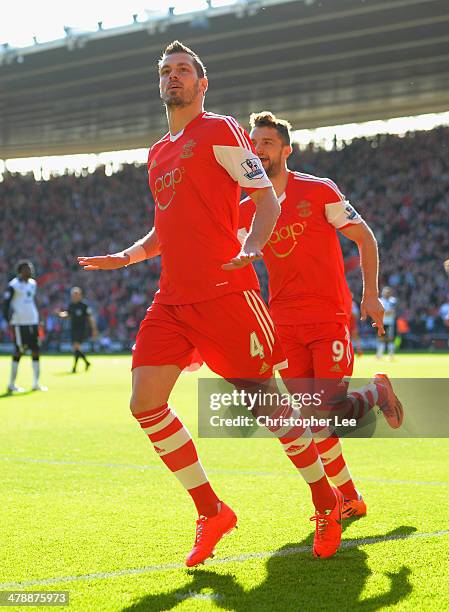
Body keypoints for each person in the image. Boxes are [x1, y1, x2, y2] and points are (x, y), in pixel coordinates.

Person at [78, 41, 345, 565]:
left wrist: (252, 246)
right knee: (144, 402)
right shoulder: (157, 152)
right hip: (173, 299)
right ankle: (211, 510)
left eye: (183, 71)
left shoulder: (221, 130)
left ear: (203, 83)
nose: (173, 78)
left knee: (267, 404)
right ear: (160, 84)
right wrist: (129, 257)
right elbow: (165, 225)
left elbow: (265, 196)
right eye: (166, 71)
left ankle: (326, 499)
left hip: (227, 294)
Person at [238, 111, 404, 519]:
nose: (259, 150)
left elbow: (364, 237)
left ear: (286, 150)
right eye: (253, 144)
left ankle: (377, 393)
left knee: (324, 411)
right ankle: (349, 498)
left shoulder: (318, 191)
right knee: (313, 419)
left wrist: (371, 295)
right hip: (284, 326)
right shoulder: (245, 212)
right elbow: (236, 265)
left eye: (267, 143)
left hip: (328, 317)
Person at [3, 260, 47, 392]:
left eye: (31, 268)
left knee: (36, 350)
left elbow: (32, 302)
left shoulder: (33, 284)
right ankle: (11, 384)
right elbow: (5, 304)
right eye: (28, 269)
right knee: (19, 351)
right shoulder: (13, 285)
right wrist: (8, 319)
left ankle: (36, 383)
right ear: (21, 271)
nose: (30, 271)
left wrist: (39, 318)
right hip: (19, 323)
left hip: (32, 322)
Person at [57, 287, 98, 373]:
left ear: (80, 295)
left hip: (82, 329)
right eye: (74, 294)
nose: (75, 296)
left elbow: (90, 318)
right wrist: (60, 314)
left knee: (76, 347)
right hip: (73, 328)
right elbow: (67, 315)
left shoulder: (84, 305)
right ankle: (86, 363)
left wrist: (94, 329)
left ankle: (74, 368)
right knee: (76, 348)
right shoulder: (71, 305)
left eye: (77, 294)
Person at [377, 287, 397, 359]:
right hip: (381, 322)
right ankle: (379, 354)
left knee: (390, 338)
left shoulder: (392, 301)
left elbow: (392, 311)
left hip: (390, 322)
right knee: (381, 338)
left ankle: (391, 354)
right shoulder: (380, 301)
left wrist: (383, 313)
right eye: (385, 292)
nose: (387, 294)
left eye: (388, 292)